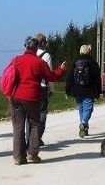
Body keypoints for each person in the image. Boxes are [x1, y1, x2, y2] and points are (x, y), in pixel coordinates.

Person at [9, 37, 66, 165]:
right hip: (32, 97)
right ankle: (32, 154)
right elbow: (52, 76)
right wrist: (61, 69)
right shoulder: (38, 62)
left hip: (16, 96)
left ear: (25, 47)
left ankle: (18, 157)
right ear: (36, 48)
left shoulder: (16, 60)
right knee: (34, 124)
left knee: (18, 127)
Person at [64, 43, 102, 138]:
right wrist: (99, 91)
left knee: (81, 108)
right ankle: (84, 123)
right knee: (88, 108)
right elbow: (98, 79)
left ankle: (84, 127)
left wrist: (67, 91)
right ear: (89, 52)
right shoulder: (93, 63)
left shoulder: (75, 62)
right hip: (89, 90)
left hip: (77, 90)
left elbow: (69, 77)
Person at [34, 32, 53, 145]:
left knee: (31, 114)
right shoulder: (46, 55)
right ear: (44, 43)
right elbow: (49, 74)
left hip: (30, 87)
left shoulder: (29, 53)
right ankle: (38, 136)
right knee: (42, 112)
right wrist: (51, 89)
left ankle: (30, 137)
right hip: (42, 87)